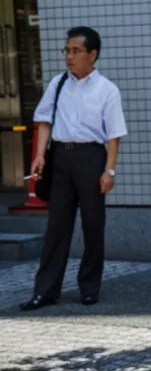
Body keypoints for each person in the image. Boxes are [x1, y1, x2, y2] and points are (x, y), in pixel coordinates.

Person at [19, 26, 128, 311]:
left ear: (92, 54)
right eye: (67, 50)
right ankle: (45, 291)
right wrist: (39, 155)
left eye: (75, 51)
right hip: (60, 159)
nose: (69, 56)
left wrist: (109, 171)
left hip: (91, 158)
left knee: (93, 225)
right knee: (56, 227)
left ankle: (89, 288)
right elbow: (44, 120)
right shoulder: (58, 84)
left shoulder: (107, 89)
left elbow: (114, 135)